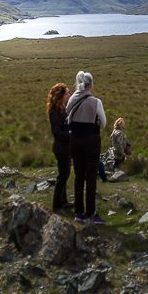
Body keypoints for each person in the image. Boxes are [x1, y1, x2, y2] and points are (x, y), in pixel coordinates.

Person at [65, 70, 107, 224]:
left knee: (78, 177)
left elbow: (67, 118)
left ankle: (78, 213)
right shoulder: (96, 102)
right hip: (91, 142)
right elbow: (103, 123)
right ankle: (91, 213)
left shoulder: (70, 100)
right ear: (91, 84)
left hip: (75, 140)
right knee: (91, 178)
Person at [46, 82, 72, 213]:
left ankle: (64, 201)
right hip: (61, 148)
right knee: (62, 175)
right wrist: (70, 134)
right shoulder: (55, 111)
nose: (69, 95)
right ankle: (56, 206)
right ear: (60, 95)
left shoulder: (63, 108)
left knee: (65, 174)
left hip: (65, 147)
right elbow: (56, 132)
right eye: (67, 93)